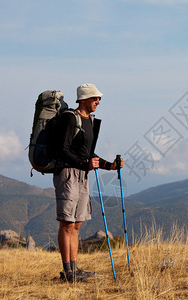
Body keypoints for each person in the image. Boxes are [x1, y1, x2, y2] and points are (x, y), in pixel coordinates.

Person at [52, 83, 124, 283]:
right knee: (67, 223)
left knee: (76, 224)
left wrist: (109, 165)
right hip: (67, 174)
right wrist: (83, 163)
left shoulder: (90, 122)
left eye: (99, 99)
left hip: (83, 175)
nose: (98, 102)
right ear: (83, 99)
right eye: (95, 99)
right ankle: (68, 272)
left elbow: (88, 154)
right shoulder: (69, 118)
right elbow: (61, 149)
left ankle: (74, 269)